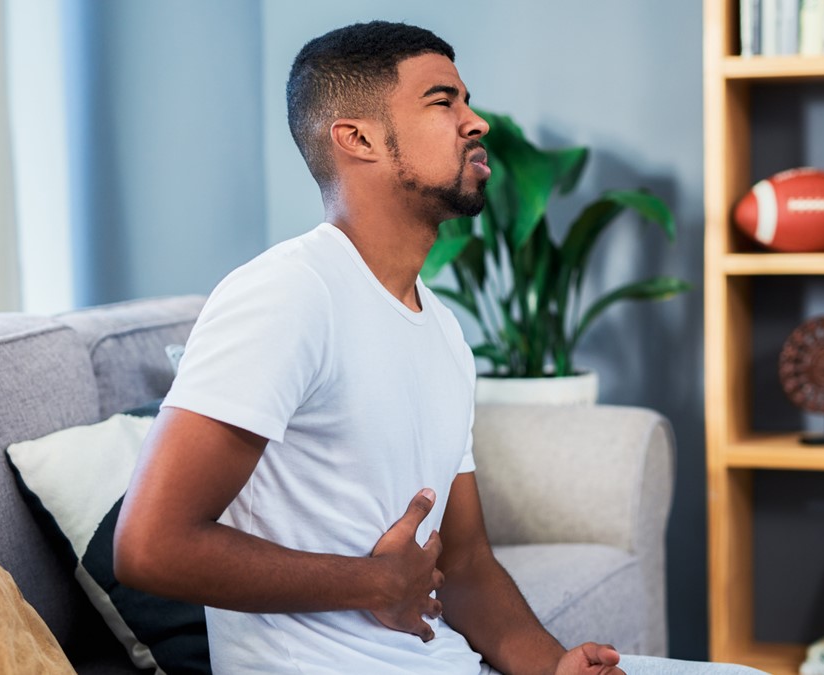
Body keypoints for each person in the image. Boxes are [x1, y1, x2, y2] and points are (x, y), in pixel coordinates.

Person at [114, 20, 765, 675]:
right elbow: (150, 544)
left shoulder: (442, 330)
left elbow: (466, 562)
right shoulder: (289, 293)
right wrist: (369, 581)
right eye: (443, 101)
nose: (475, 121)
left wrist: (553, 666)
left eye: (466, 99)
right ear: (357, 137)